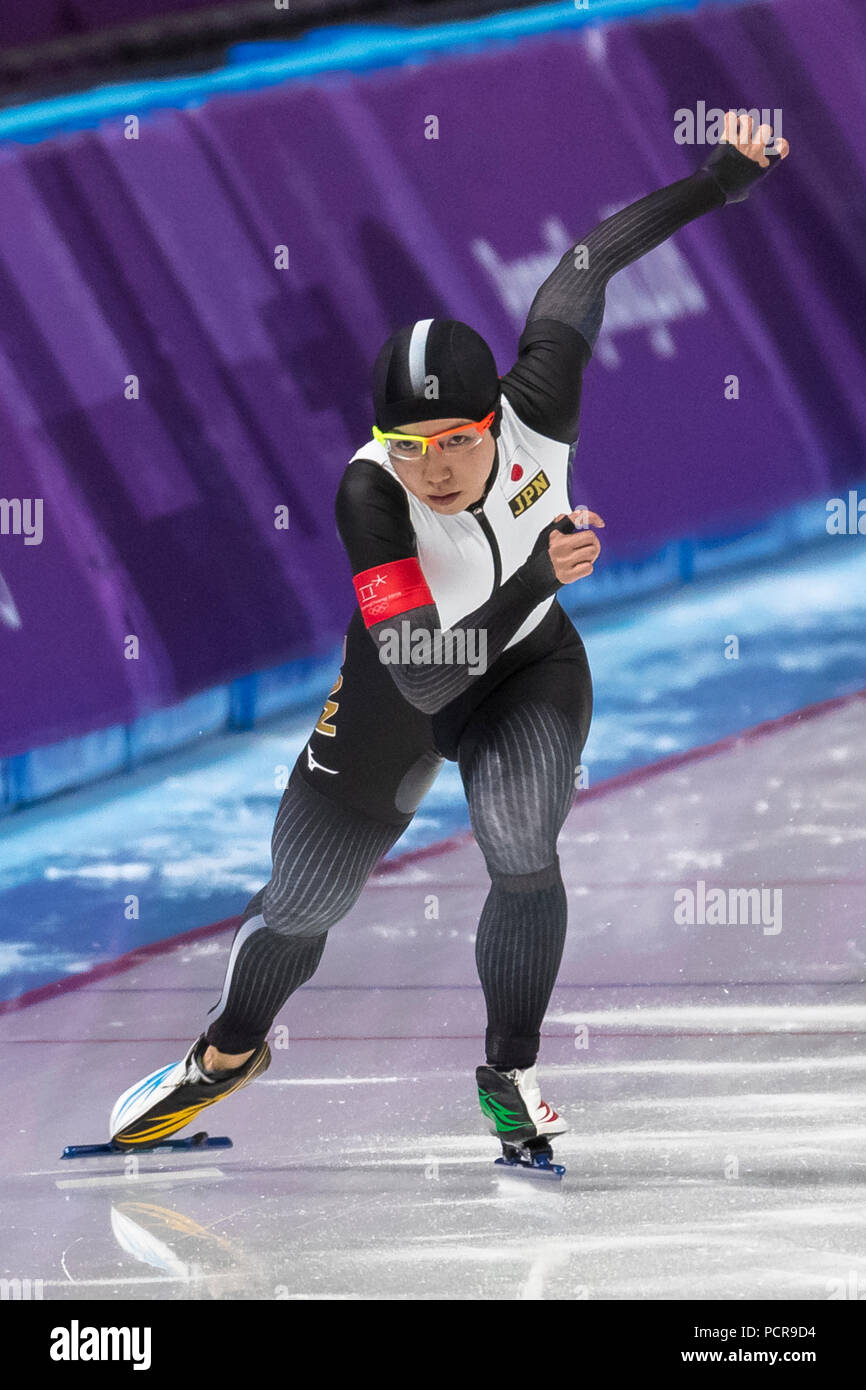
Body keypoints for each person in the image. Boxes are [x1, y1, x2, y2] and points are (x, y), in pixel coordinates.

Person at [110, 113, 788, 1163]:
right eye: (408, 445)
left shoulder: (539, 399)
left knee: (519, 841)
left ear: (495, 420)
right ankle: (231, 1050)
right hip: (402, 681)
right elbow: (424, 674)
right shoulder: (368, 495)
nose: (432, 466)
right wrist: (535, 569)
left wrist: (721, 178)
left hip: (523, 672)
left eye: (456, 442)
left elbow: (587, 259)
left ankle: (507, 1075)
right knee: (302, 905)